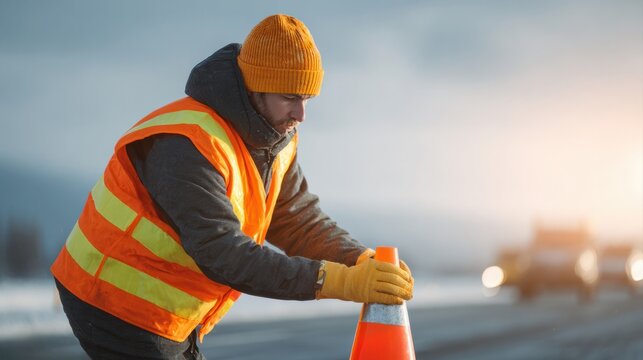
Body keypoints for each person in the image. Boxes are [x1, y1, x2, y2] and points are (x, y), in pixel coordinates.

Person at [51, 14, 414, 359]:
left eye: (307, 99)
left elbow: (298, 220)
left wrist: (361, 260)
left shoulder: (274, 140)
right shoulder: (188, 143)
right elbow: (223, 252)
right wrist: (335, 281)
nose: (301, 114)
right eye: (290, 98)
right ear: (255, 90)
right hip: (112, 298)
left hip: (168, 307)